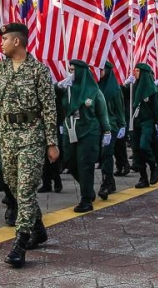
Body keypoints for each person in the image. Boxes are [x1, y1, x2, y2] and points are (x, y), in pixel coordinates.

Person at [0, 23, 59, 269]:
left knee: (25, 188)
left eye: (4, 38)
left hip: (32, 134)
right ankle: (39, 229)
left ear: (17, 42)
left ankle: (19, 243)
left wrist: (52, 142)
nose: (0, 42)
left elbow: (50, 109)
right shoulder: (0, 68)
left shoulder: (38, 71)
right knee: (13, 184)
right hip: (7, 135)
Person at [59, 59, 111, 212]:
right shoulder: (67, 89)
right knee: (69, 161)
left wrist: (107, 131)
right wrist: (58, 87)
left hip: (89, 131)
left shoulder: (94, 91)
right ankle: (88, 189)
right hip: (70, 130)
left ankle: (86, 199)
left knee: (85, 165)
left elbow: (102, 112)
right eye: (69, 70)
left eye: (73, 70)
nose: (70, 73)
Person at [124, 63, 158, 188]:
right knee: (136, 150)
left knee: (144, 145)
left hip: (147, 121)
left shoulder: (151, 89)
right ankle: (143, 177)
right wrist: (125, 84)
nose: (134, 73)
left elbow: (156, 108)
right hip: (136, 121)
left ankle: (154, 167)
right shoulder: (134, 86)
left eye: (137, 71)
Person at [97, 61, 126, 199]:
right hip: (100, 126)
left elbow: (120, 109)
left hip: (112, 125)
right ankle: (111, 182)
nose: (100, 72)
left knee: (106, 153)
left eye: (102, 69)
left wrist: (122, 125)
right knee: (102, 155)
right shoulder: (96, 86)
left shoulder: (115, 89)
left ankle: (106, 183)